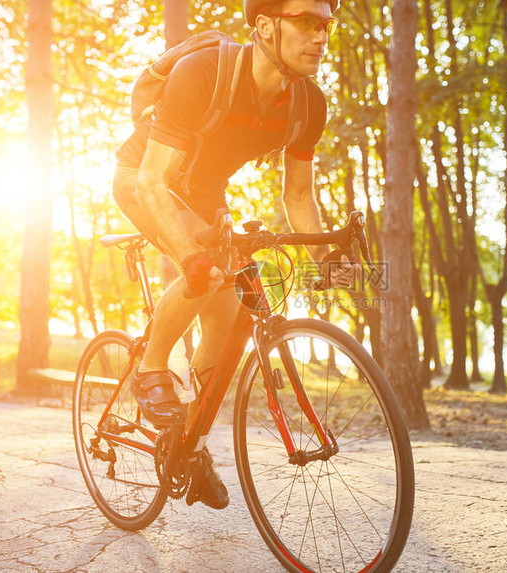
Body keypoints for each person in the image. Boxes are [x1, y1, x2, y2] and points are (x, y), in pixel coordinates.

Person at [113, 0, 359, 509]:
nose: (321, 35)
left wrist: (323, 259)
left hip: (203, 192)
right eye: (308, 22)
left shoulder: (308, 104)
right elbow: (154, 181)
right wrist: (191, 255)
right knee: (208, 272)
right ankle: (151, 369)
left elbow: (297, 197)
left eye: (327, 24)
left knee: (226, 325)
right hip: (143, 178)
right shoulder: (203, 74)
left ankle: (188, 443)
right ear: (266, 27)